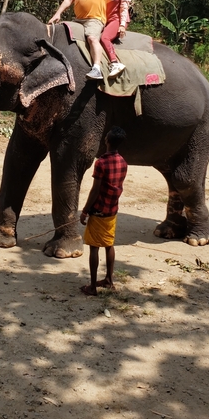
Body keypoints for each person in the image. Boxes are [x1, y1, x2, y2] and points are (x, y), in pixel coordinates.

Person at [79, 126, 128, 296]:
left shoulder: (101, 162)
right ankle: (108, 280)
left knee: (94, 247)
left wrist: (85, 210)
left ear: (106, 141)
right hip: (112, 210)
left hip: (99, 210)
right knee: (109, 244)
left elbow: (95, 190)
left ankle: (92, 287)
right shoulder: (123, 162)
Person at [101, 0, 133, 78]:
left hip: (117, 20)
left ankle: (115, 63)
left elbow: (124, 8)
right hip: (105, 20)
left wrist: (122, 25)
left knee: (104, 38)